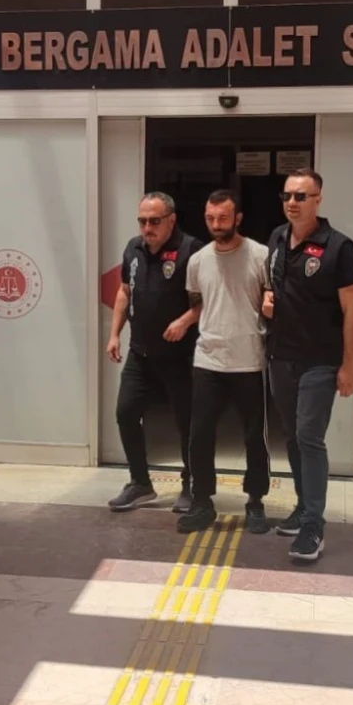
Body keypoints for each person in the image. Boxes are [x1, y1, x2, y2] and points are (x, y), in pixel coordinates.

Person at [262, 169, 353, 562]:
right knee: (290, 435)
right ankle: (303, 506)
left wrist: (349, 364)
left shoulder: (339, 247)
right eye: (287, 195)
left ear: (318, 199)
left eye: (301, 196)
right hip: (280, 355)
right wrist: (266, 298)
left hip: (320, 360)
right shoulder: (276, 237)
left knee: (309, 436)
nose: (292, 202)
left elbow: (352, 310)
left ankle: (313, 526)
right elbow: (272, 283)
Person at [176, 189, 272, 535]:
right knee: (199, 435)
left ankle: (256, 501)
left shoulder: (260, 255)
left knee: (254, 438)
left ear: (238, 218)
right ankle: (202, 502)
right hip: (208, 360)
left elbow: (271, 298)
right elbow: (198, 301)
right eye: (210, 218)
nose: (216, 225)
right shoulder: (198, 260)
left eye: (223, 218)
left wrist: (270, 307)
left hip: (249, 361)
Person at [106, 192, 204, 513]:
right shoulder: (133, 248)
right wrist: (114, 334)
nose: (147, 228)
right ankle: (140, 483)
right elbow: (125, 292)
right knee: (125, 413)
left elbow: (208, 300)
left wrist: (184, 321)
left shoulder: (192, 250)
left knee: (188, 421)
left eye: (154, 221)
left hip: (181, 355)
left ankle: (192, 485)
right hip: (140, 353)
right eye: (142, 221)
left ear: (171, 220)